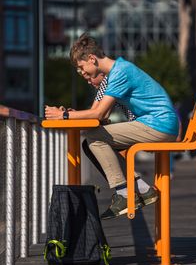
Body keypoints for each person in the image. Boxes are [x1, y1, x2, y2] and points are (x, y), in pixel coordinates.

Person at [45, 33, 179, 220]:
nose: (82, 74)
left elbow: (99, 114)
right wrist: (69, 115)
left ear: (92, 59)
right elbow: (102, 114)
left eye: (82, 68)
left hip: (159, 125)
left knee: (94, 138)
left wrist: (64, 115)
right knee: (89, 143)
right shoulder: (118, 70)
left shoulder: (120, 72)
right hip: (159, 124)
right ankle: (141, 190)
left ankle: (125, 193)